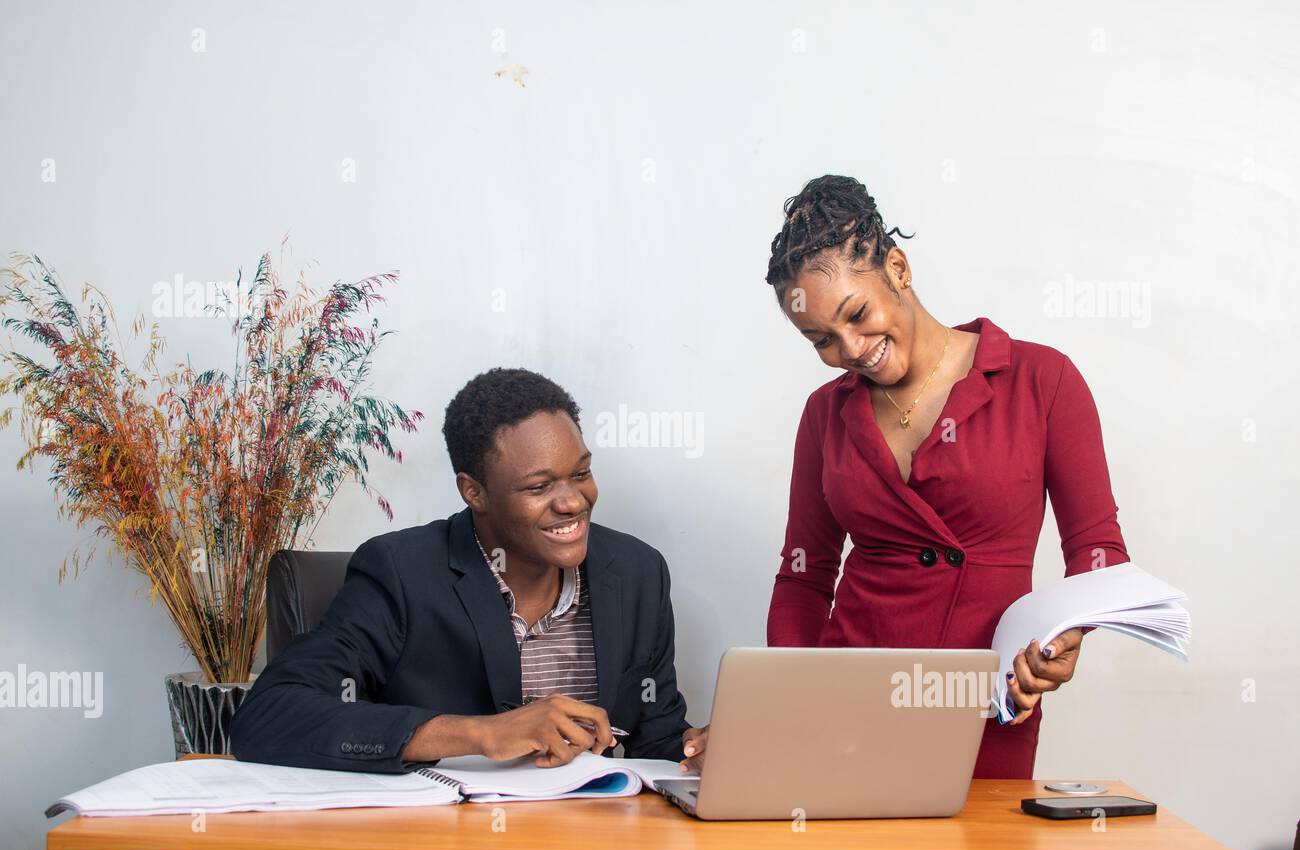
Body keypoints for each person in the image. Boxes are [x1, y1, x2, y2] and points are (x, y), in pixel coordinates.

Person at [759, 174, 1129, 778]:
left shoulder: (1042, 380)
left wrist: (1065, 636)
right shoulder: (824, 415)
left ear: (898, 268)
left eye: (858, 314)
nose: (851, 349)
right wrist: (794, 698)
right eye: (822, 340)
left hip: (983, 700)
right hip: (847, 704)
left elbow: (1097, 551)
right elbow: (804, 577)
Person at [231, 368, 706, 772]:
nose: (572, 502)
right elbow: (270, 715)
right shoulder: (401, 574)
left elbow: (654, 733)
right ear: (473, 492)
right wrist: (479, 733)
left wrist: (698, 749)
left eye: (580, 474)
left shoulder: (637, 571)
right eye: (540, 486)